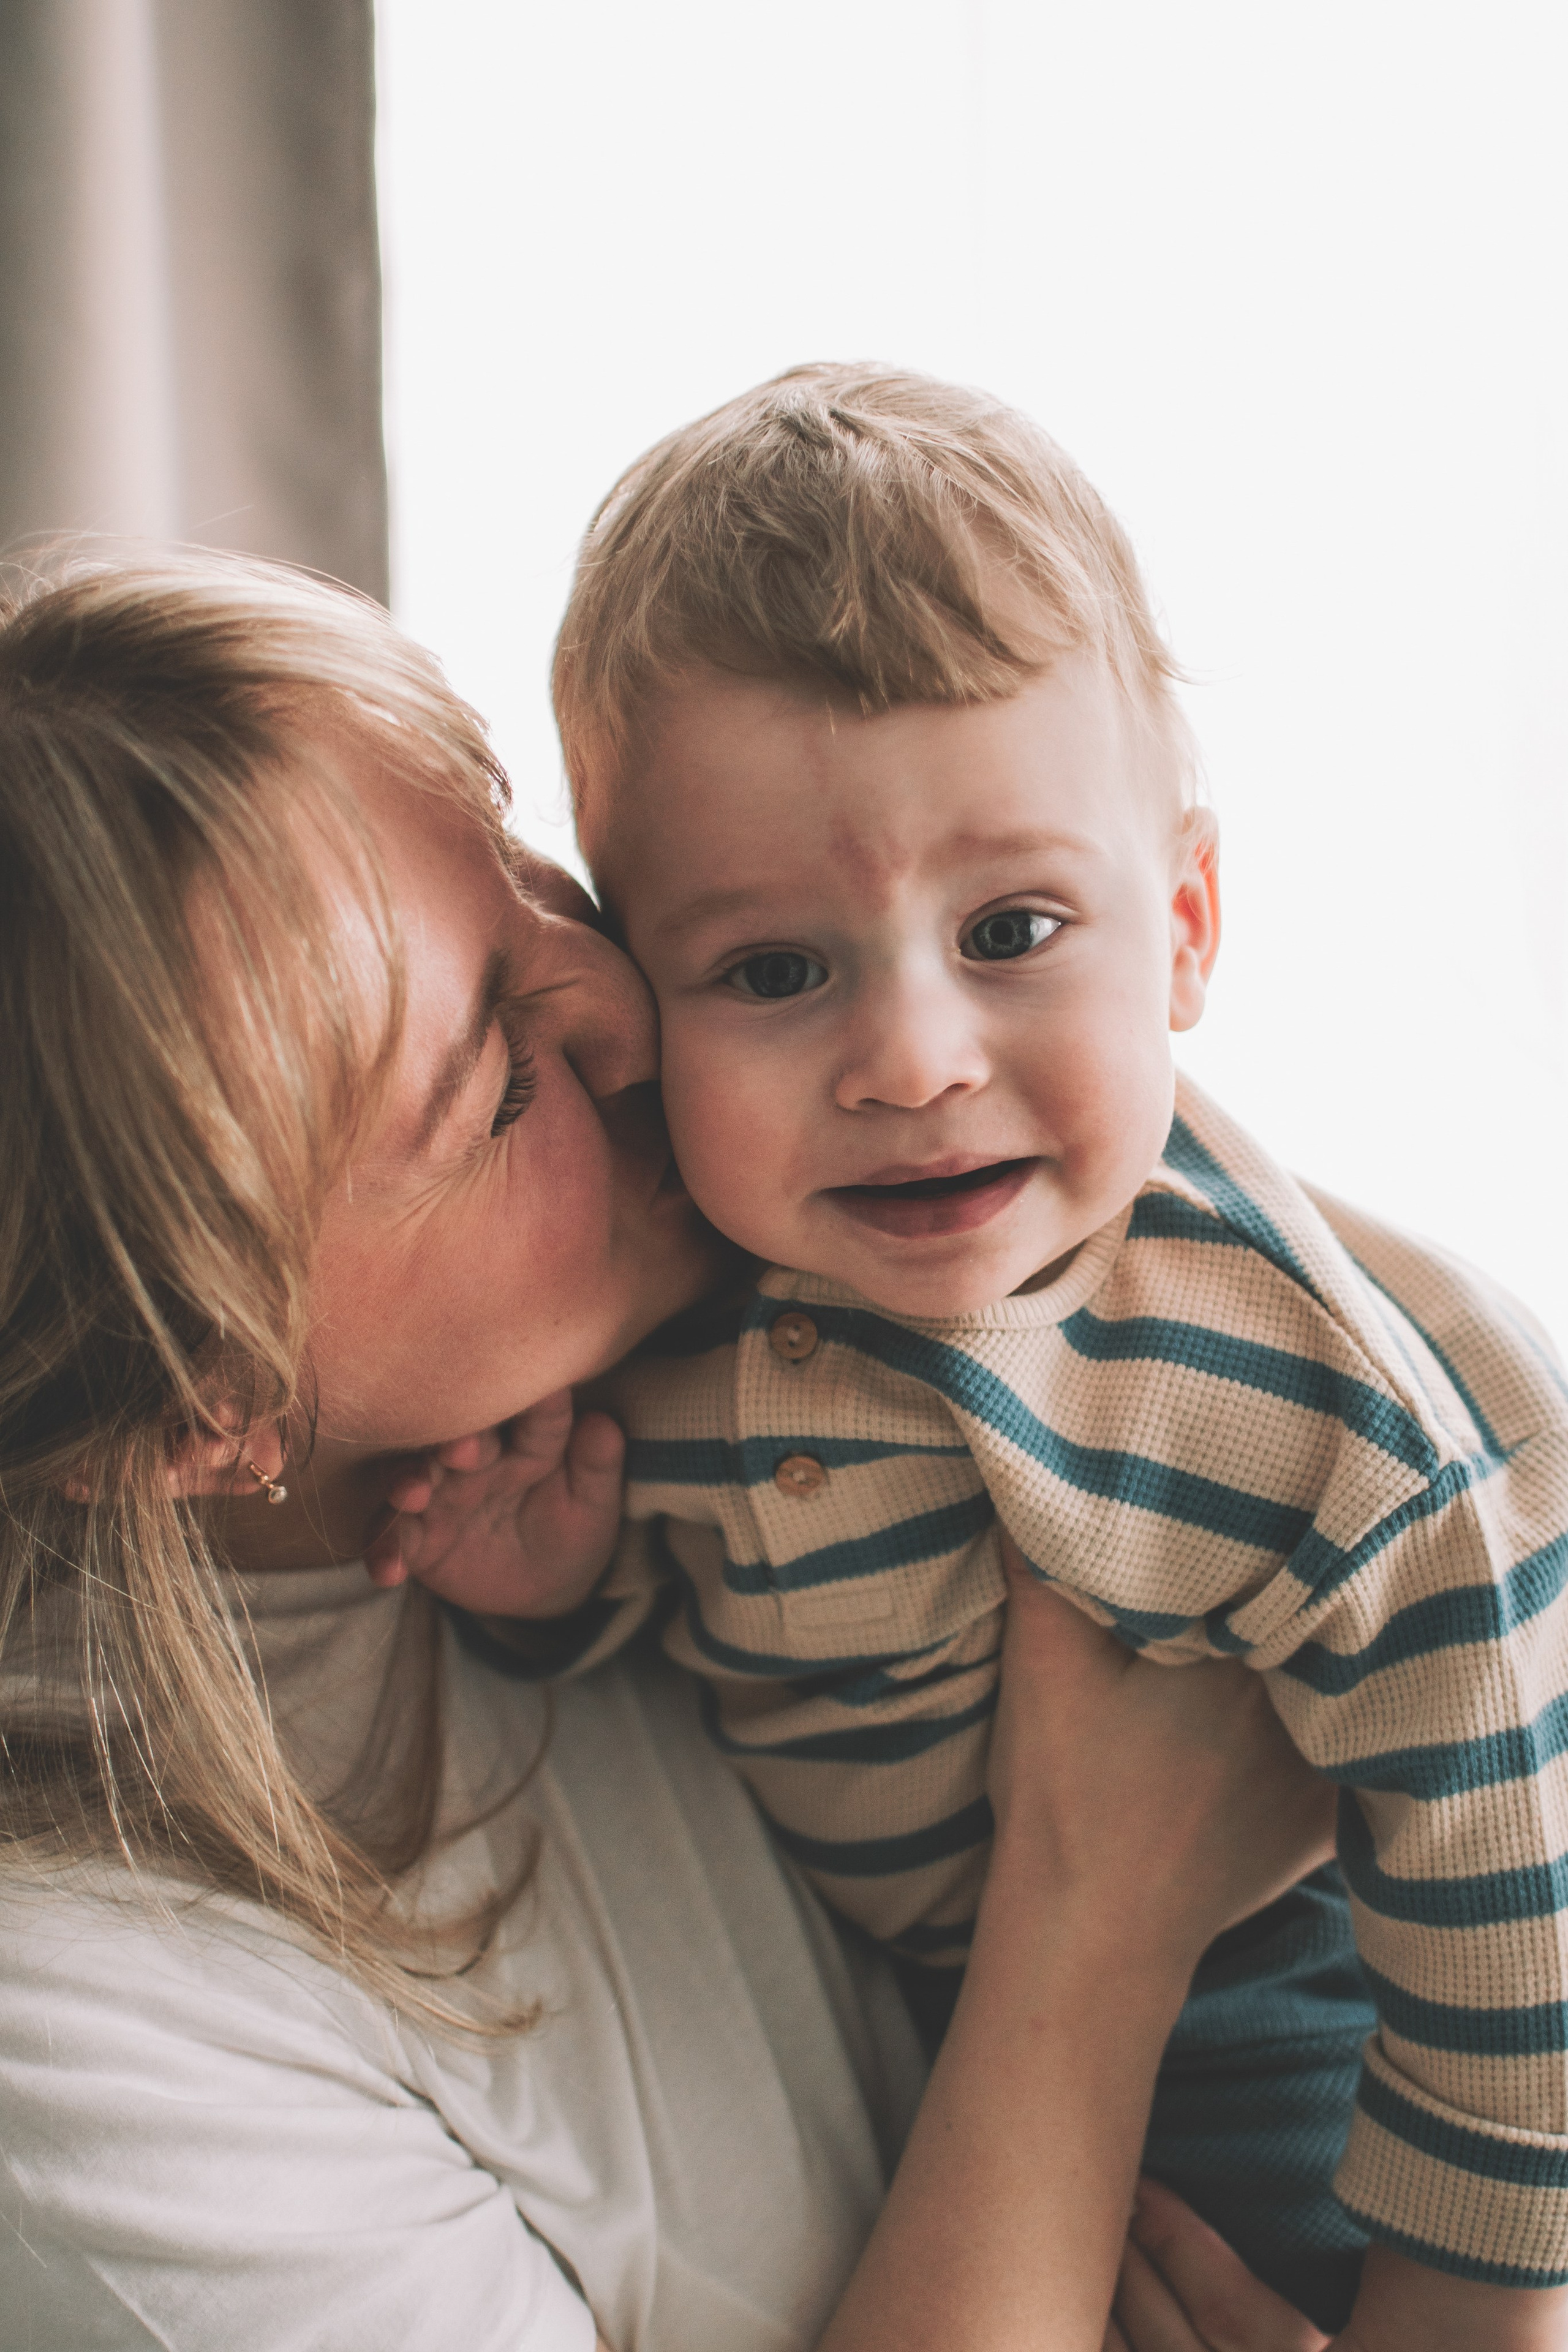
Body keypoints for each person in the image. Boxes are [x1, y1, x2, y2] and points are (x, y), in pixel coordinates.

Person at [0, 548, 1349, 2352]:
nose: (630, 1001)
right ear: (200, 1410)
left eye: (504, 844)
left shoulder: (724, 1330)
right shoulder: (98, 2053)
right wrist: (1098, 1922)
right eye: (495, 1087)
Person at [382, 366, 1568, 2340]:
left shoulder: (1276, 1378)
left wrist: (1472, 2299)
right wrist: (555, 1586)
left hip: (1284, 2006)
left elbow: (1510, 1834)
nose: (913, 1060)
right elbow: (688, 1644)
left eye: (1014, 929)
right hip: (944, 2031)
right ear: (638, 982)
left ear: (1184, 925)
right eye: (776, 972)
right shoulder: (679, 1299)